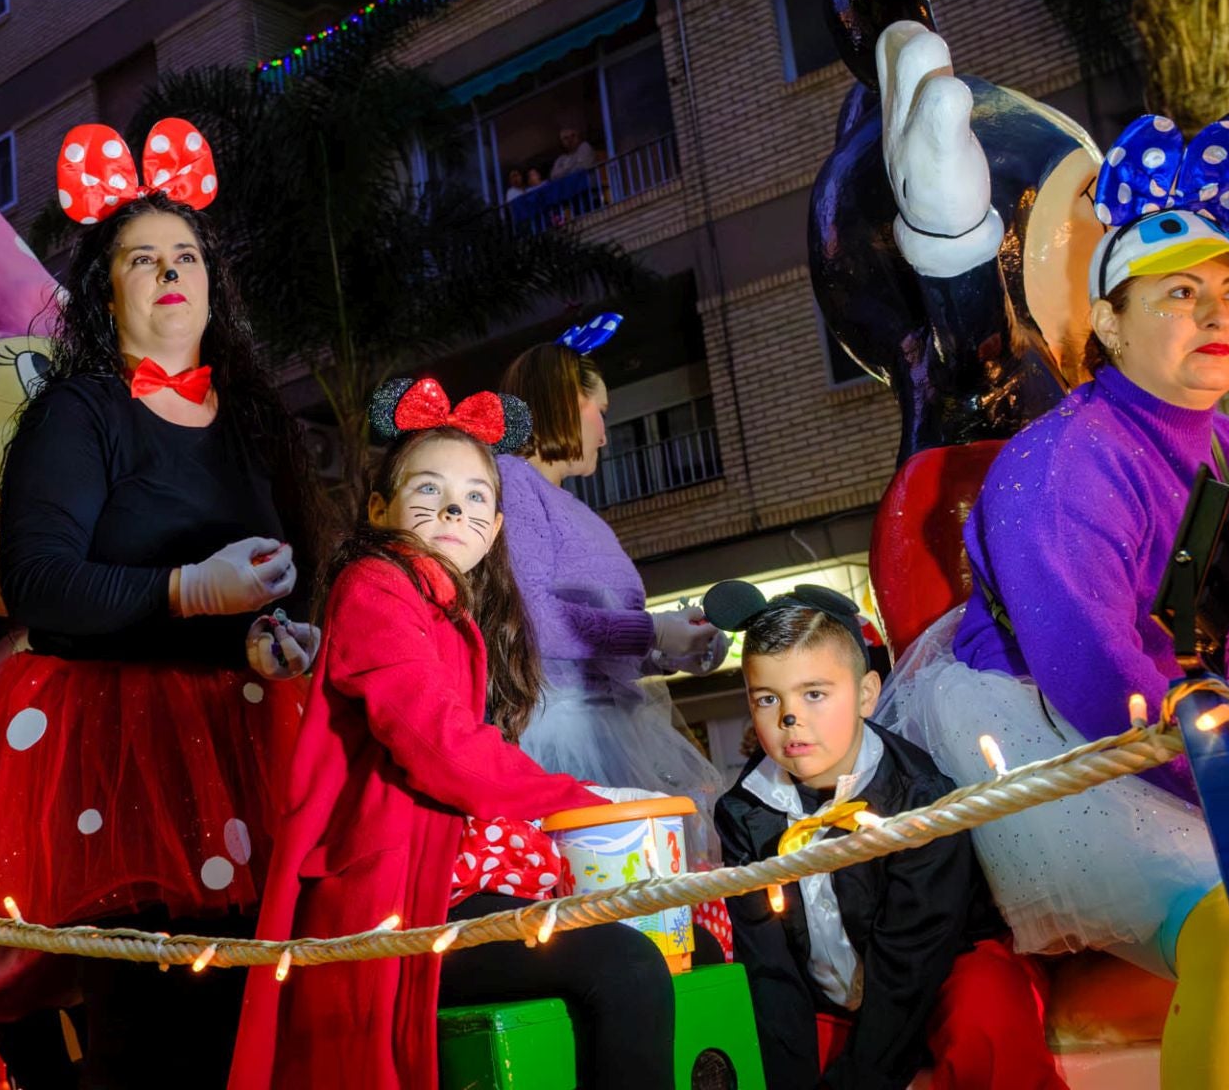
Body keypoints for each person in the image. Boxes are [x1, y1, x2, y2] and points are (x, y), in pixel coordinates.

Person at [877, 114, 1229, 1087]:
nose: (1217, 314)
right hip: (1085, 752)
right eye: (1180, 292)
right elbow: (1106, 684)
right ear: (1110, 321)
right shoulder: (1059, 466)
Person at [0, 119, 330, 1089]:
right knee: (149, 1029)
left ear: (213, 285)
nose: (171, 271)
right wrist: (185, 588)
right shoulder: (79, 409)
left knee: (247, 1022)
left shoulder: (250, 424)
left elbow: (258, 584)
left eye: (186, 255)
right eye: (144, 258)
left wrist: (267, 636)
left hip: (247, 747)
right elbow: (39, 586)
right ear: (107, 290)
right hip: (122, 763)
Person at [230, 379, 676, 1090]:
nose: (452, 510)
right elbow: (438, 746)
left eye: (474, 498)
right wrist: (575, 795)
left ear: (496, 527)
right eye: (428, 491)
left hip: (437, 877)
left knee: (669, 942)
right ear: (379, 511)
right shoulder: (377, 586)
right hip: (392, 898)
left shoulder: (446, 607)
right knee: (627, 963)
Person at [707, 583, 1067, 1090]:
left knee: (986, 1021)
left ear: (867, 694)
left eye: (814, 693)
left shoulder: (917, 795)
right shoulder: (743, 813)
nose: (791, 718)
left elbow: (913, 958)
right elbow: (770, 966)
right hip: (828, 991)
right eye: (768, 699)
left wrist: (857, 1081)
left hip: (941, 971)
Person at [500, 315, 728, 869]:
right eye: (599, 411)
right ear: (561, 402)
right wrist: (654, 630)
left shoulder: (573, 508)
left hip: (607, 728)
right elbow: (537, 621)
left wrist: (671, 649)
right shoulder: (509, 479)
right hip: (559, 736)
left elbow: (596, 644)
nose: (604, 431)